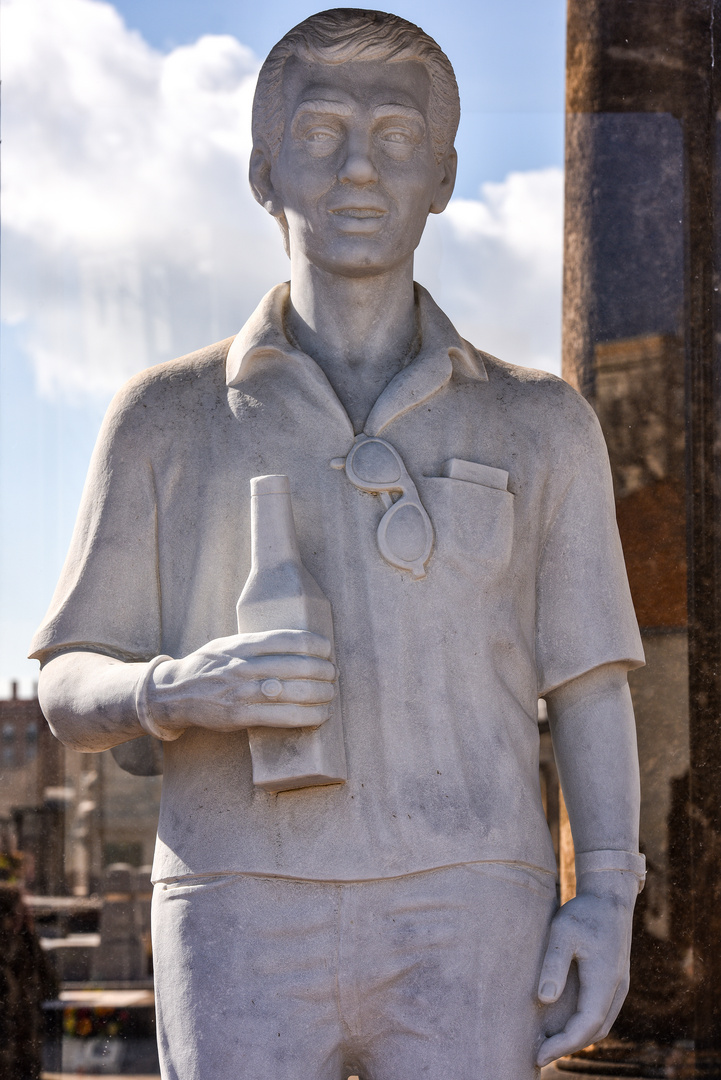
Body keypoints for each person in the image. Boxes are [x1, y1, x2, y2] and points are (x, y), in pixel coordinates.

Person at [30, 9, 646, 1080]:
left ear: (445, 174)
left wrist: (603, 893)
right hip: (237, 899)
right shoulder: (163, 418)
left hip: (472, 894)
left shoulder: (542, 423)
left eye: (396, 139)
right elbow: (66, 684)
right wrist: (176, 690)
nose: (360, 169)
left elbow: (590, 684)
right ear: (265, 172)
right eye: (321, 134)